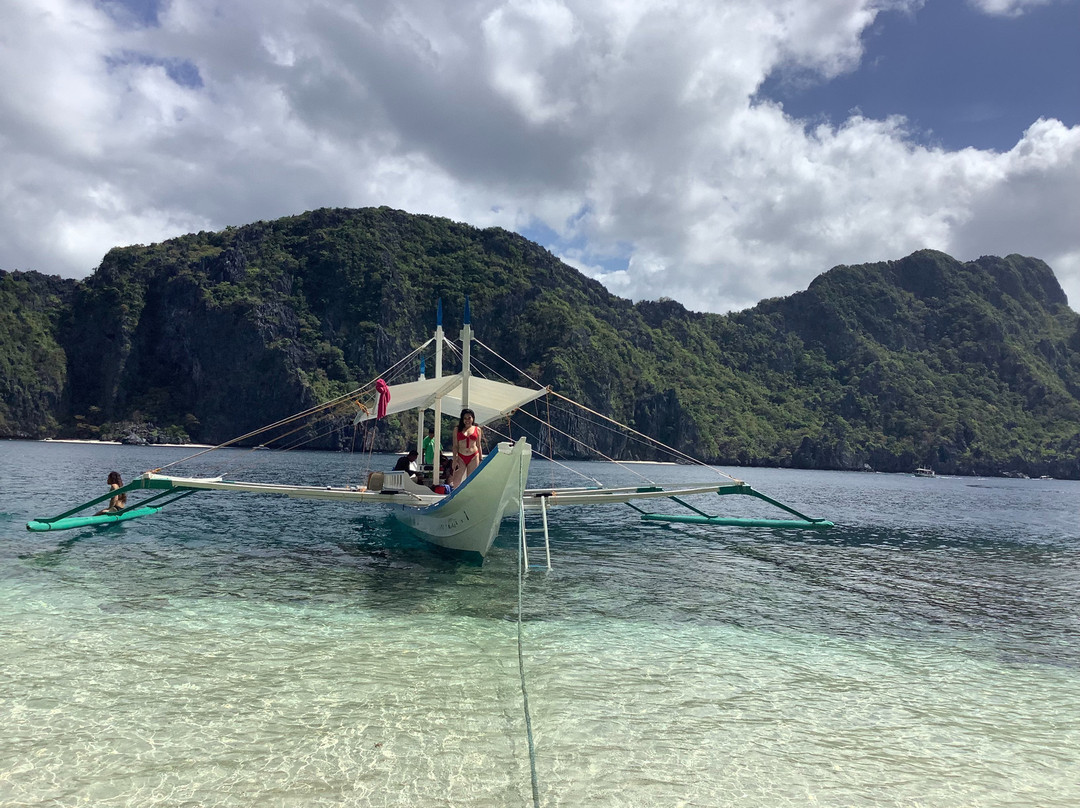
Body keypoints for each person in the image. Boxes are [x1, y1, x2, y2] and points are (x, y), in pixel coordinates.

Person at [451, 408, 483, 486]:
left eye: (469, 418)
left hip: (474, 456)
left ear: (473, 418)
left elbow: (478, 445)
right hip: (461, 456)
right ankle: (456, 496)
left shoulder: (477, 429)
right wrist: (454, 460)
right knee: (456, 481)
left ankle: (470, 496)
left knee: (471, 480)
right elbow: (455, 446)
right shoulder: (457, 429)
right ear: (462, 419)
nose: (467, 420)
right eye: (465, 418)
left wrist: (481, 459)